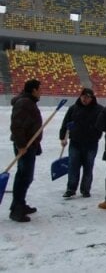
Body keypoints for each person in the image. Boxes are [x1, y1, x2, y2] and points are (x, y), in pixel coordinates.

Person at [59, 88, 104, 198]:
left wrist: (97, 133)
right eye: (83, 96)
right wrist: (63, 138)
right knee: (73, 167)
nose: (85, 99)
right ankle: (71, 189)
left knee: (88, 167)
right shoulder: (73, 109)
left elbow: (103, 125)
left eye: (88, 97)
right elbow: (65, 124)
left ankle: (85, 189)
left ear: (92, 98)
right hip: (75, 143)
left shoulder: (99, 110)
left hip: (91, 144)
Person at [9, 79, 42, 222]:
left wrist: (35, 144)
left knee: (24, 176)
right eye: (40, 89)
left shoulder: (28, 102)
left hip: (29, 145)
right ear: (34, 90)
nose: (41, 92)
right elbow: (17, 126)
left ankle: (19, 204)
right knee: (24, 177)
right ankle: (17, 210)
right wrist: (22, 145)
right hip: (24, 146)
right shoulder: (24, 103)